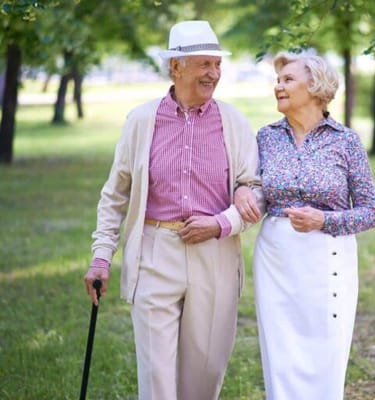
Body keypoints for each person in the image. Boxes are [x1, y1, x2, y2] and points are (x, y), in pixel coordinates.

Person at [83, 20, 263, 400]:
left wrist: (221, 223)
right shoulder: (141, 120)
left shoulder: (233, 121)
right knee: (157, 375)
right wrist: (101, 258)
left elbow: (255, 189)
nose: (213, 74)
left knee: (205, 372)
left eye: (217, 65)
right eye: (204, 64)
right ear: (175, 67)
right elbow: (115, 194)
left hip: (215, 254)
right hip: (155, 249)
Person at [235, 52, 375, 400]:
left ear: (315, 86)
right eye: (278, 80)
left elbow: (372, 211)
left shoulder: (346, 141)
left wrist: (325, 219)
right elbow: (252, 186)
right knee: (281, 355)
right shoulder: (266, 138)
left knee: (325, 352)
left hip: (328, 258)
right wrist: (241, 188)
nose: (278, 86)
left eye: (288, 79)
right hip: (276, 260)